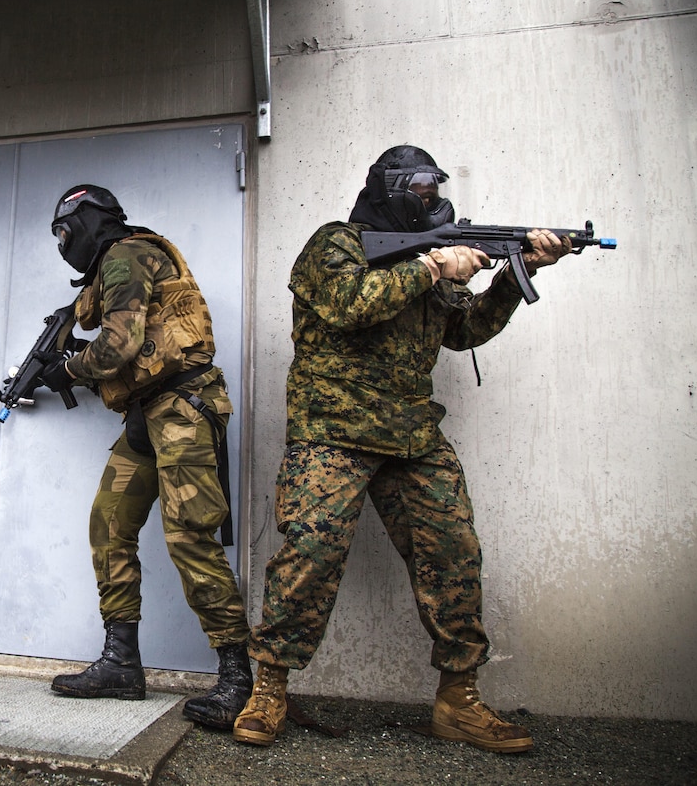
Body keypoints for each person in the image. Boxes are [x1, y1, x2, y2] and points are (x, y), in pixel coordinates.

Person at [232, 145, 573, 753]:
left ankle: (457, 700)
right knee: (309, 556)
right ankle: (270, 687)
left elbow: (464, 331)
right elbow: (347, 306)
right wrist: (433, 267)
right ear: (386, 189)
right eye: (417, 189)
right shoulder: (335, 244)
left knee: (454, 553)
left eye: (433, 189)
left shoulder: (429, 255)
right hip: (330, 431)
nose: (429, 198)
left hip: (412, 435)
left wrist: (522, 273)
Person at [39, 184, 252, 729]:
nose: (64, 242)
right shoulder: (114, 264)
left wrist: (65, 370)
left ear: (86, 222)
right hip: (147, 412)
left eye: (66, 231)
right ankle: (121, 662)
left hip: (182, 407)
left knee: (189, 536)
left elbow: (118, 346)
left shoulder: (127, 254)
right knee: (109, 523)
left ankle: (237, 675)